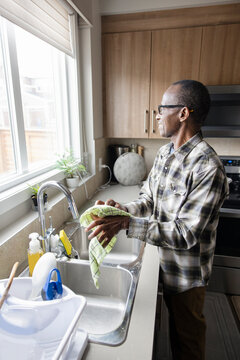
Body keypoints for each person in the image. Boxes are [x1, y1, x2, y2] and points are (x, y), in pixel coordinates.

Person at [86, 80, 229, 360]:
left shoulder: (208, 168)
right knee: (170, 334)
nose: (157, 115)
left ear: (184, 113)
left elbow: (186, 233)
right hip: (160, 261)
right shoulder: (165, 154)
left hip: (186, 275)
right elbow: (149, 200)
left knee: (187, 343)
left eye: (162, 108)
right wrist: (122, 211)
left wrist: (126, 225)